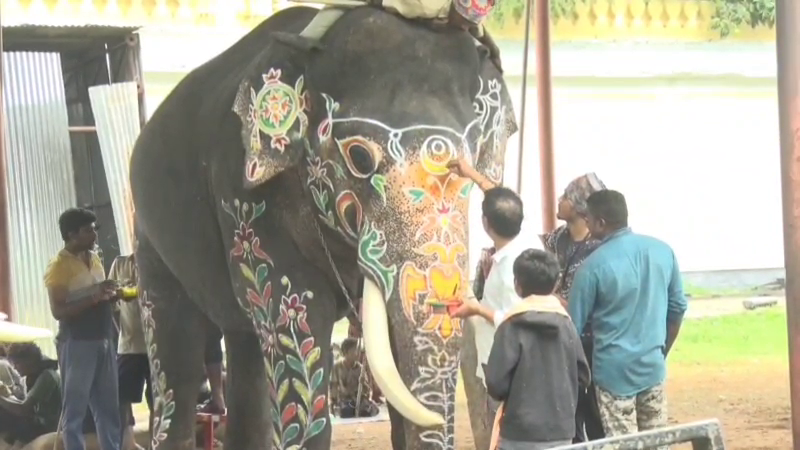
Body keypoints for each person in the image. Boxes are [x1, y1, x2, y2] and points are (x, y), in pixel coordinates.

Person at [568, 190, 688, 439]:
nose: (586, 225)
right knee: (656, 442)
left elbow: (573, 330)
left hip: (613, 375)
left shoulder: (591, 268)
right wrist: (661, 351)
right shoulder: (663, 251)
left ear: (600, 222)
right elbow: (677, 308)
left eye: (588, 219)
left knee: (624, 444)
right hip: (652, 367)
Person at [447, 158, 533, 420]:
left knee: (505, 432)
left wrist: (476, 309)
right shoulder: (524, 238)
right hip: (507, 365)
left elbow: (515, 319)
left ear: (485, 224)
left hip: (508, 369)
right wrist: (471, 173)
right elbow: (501, 199)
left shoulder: (510, 270)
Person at [484, 249, 590, 450]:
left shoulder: (510, 326)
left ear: (517, 285)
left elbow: (496, 384)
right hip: (561, 431)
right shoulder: (567, 324)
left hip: (518, 433)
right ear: (556, 284)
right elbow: (583, 376)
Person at [44, 208, 122, 450]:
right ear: (71, 234)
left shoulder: (95, 258)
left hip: (104, 338)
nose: (95, 236)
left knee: (108, 409)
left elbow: (97, 294)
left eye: (95, 230)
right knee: (75, 411)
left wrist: (113, 294)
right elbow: (58, 311)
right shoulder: (59, 266)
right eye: (89, 230)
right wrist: (95, 296)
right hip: (77, 342)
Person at [539, 172, 606, 443]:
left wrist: (557, 300)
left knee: (597, 415)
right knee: (569, 417)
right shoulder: (555, 241)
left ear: (579, 207)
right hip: (560, 340)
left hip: (592, 343)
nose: (560, 199)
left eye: (566, 196)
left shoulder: (600, 248)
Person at [108, 252, 150, 450]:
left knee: (158, 398)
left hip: (157, 347)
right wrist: (121, 331)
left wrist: (129, 293)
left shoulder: (159, 261)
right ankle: (128, 442)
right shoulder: (120, 263)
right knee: (121, 397)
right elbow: (111, 299)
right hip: (128, 346)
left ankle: (156, 442)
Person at [0, 343, 62, 445]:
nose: (15, 368)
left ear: (29, 361)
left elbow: (24, 409)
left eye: (17, 363)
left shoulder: (47, 376)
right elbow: (23, 404)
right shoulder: (31, 377)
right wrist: (6, 395)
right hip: (38, 421)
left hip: (48, 426)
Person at [330, 338, 379, 419]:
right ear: (346, 353)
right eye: (354, 351)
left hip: (358, 401)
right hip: (344, 401)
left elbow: (366, 391)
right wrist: (333, 403)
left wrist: (363, 384)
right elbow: (333, 388)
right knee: (346, 411)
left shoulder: (360, 368)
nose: (357, 354)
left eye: (357, 351)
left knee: (372, 409)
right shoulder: (337, 367)